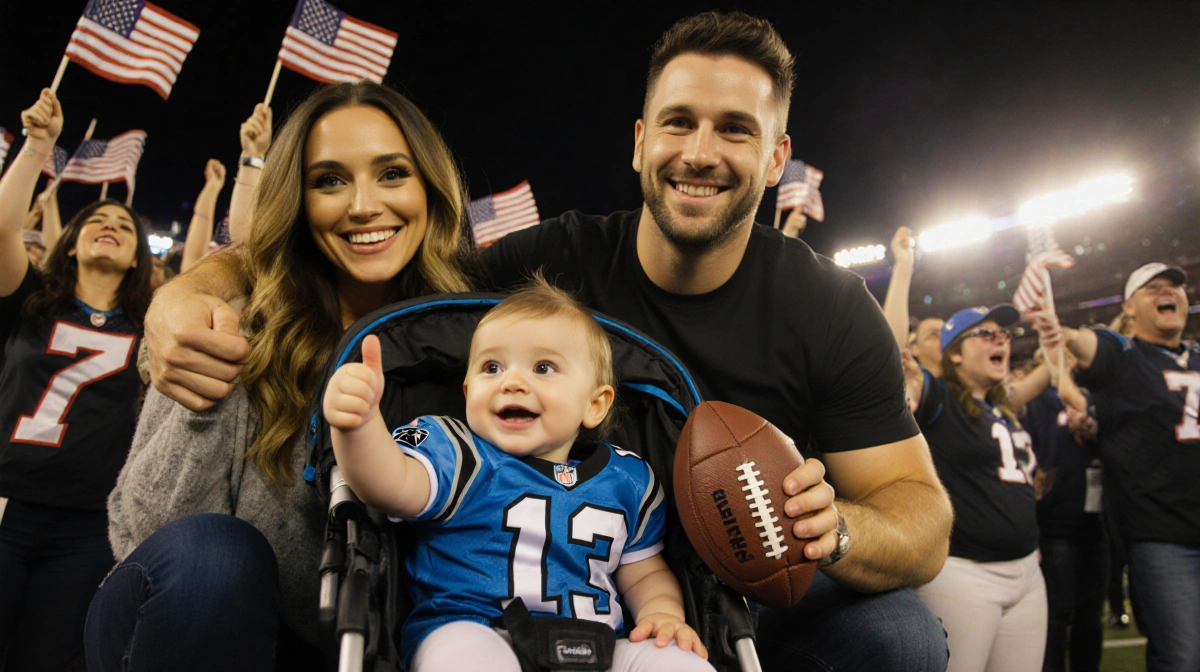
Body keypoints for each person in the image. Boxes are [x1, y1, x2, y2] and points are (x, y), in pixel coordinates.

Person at [141, 12, 955, 670]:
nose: (700, 153)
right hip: (500, 602)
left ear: (777, 158)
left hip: (728, 580)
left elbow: (922, 520)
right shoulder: (547, 264)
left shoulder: (828, 304)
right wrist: (193, 288)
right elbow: (371, 261)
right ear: (640, 141)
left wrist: (831, 528)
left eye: (735, 130)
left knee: (900, 636)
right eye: (679, 123)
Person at [85, 81, 475, 672]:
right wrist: (207, 333)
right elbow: (157, 541)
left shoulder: (483, 344)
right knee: (213, 555)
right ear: (296, 199)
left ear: (431, 187)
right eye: (329, 180)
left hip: (393, 650)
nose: (363, 204)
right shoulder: (237, 328)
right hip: (204, 626)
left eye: (393, 172)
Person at [326, 279, 712, 671]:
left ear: (594, 405)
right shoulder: (458, 454)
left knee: (676, 662)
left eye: (543, 368)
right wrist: (358, 426)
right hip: (476, 630)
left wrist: (662, 614)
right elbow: (388, 484)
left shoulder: (629, 481)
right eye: (491, 367)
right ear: (467, 391)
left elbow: (644, 574)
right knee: (463, 656)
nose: (511, 382)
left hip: (599, 649)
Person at [0, 89, 152, 671]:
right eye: (97, 219)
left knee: (47, 659)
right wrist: (38, 146)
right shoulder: (34, 299)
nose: (109, 224)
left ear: (139, 255)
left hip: (87, 526)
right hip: (7, 503)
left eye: (123, 224)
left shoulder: (149, 327)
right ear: (72, 239)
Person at [1028, 262, 1200, 672]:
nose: (1169, 292)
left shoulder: (1196, 355)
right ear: (1129, 307)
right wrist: (1061, 332)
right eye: (1154, 287)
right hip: (1162, 535)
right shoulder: (1124, 353)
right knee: (1183, 657)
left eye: (1176, 287)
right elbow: (1091, 346)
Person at [900, 305, 1049, 672]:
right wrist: (903, 267)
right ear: (954, 353)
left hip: (1027, 571)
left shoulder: (1000, 408)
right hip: (964, 572)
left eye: (1005, 334)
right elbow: (890, 364)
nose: (1001, 339)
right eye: (985, 334)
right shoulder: (938, 398)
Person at [1024, 349, 1105, 672]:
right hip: (1055, 521)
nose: (1068, 361)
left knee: (1091, 614)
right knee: (1057, 614)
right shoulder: (1039, 401)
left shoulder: (1097, 395)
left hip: (1097, 520)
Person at [884, 227, 944, 376]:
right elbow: (892, 348)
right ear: (914, 348)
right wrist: (903, 266)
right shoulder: (922, 388)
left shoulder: (980, 391)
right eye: (933, 335)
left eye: (948, 335)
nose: (944, 341)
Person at [180, 159, 226, 273]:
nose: (228, 221)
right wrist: (212, 187)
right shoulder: (192, 285)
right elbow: (193, 260)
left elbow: (194, 259)